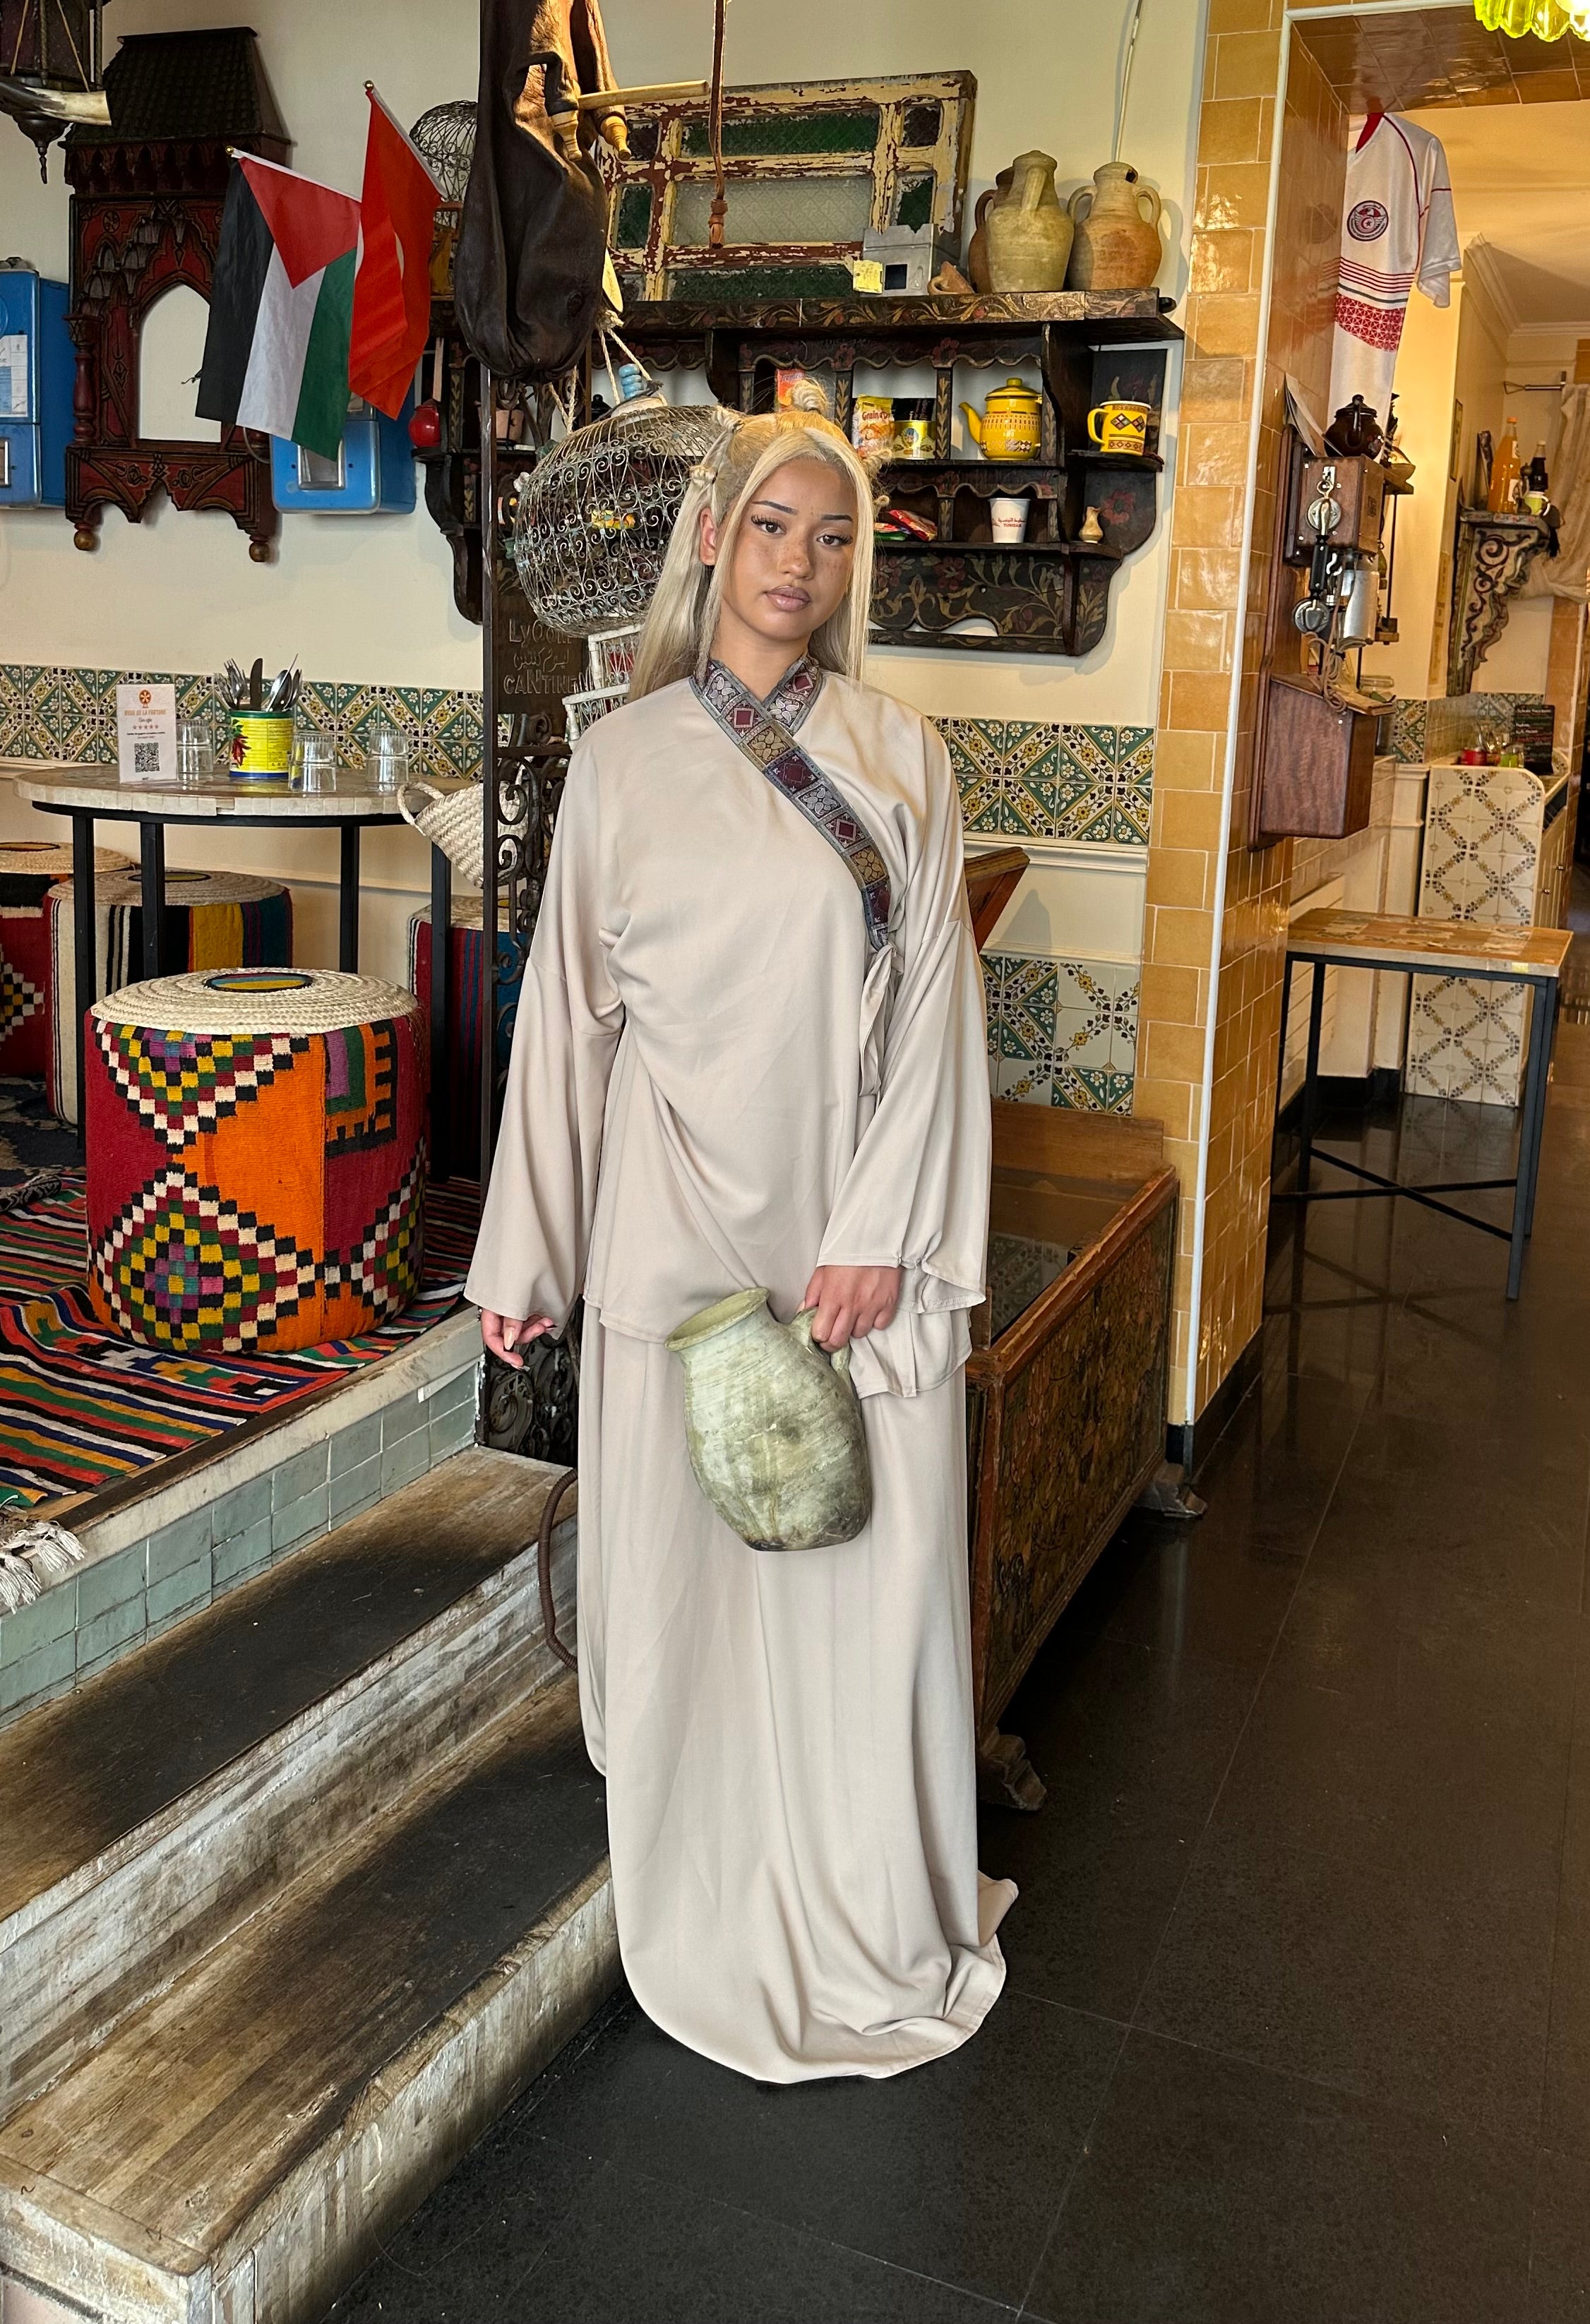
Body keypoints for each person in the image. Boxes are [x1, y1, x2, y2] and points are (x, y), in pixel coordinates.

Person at [468, 407, 1013, 2083]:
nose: (799, 563)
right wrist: (525, 1260)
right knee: (691, 1586)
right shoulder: (622, 764)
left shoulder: (900, 752)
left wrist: (882, 1232)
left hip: (845, 1230)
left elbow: (936, 1014)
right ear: (714, 537)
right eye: (774, 526)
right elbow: (568, 1025)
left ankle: (862, 1894)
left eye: (832, 537)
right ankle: (708, 1882)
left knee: (860, 1574)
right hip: (674, 1230)